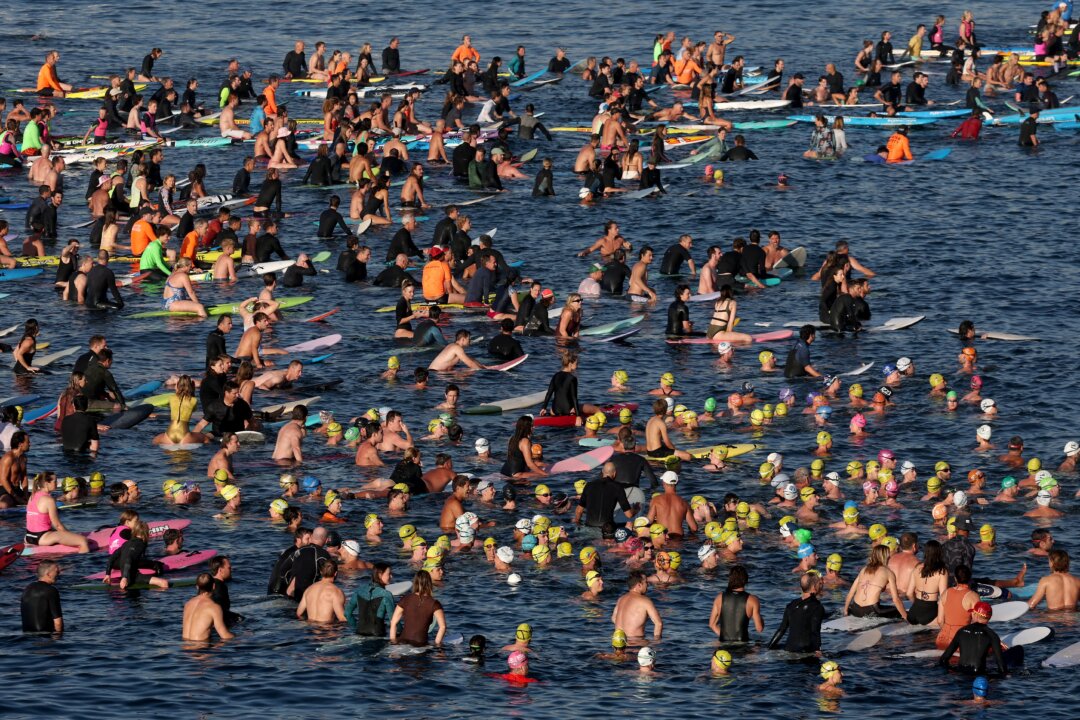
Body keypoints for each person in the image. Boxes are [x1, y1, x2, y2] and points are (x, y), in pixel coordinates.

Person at [938, 601, 1019, 674]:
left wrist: (950, 670)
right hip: (979, 675)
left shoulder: (961, 631)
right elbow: (1001, 665)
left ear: (974, 614)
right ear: (989, 617)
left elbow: (943, 659)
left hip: (960, 673)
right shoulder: (992, 635)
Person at [25, 472, 89, 553]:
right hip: (42, 538)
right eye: (55, 481)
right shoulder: (49, 500)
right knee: (83, 541)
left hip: (28, 537)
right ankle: (83, 560)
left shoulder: (32, 496)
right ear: (46, 483)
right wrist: (70, 535)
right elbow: (57, 525)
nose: (57, 483)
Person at [843, 545, 908, 620]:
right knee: (897, 611)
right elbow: (896, 599)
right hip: (871, 611)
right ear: (885, 557)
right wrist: (905, 616)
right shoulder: (888, 572)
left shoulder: (864, 569)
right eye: (888, 555)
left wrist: (845, 610)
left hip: (855, 609)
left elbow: (850, 593)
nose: (890, 557)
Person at [767, 572, 825, 652]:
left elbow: (781, 630)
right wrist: (817, 650)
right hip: (805, 652)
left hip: (789, 649)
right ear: (814, 587)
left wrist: (768, 648)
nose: (821, 586)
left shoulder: (791, 605)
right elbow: (815, 631)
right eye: (819, 583)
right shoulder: (817, 607)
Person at [708, 565, 765, 641]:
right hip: (743, 644)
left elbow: (712, 625)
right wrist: (761, 617)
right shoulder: (752, 600)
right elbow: (759, 629)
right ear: (746, 580)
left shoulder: (719, 598)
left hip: (724, 644)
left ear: (730, 579)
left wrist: (725, 637)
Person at [390, 570, 446, 646]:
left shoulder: (405, 599)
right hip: (420, 644)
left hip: (403, 641)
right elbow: (442, 627)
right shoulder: (434, 603)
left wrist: (393, 642)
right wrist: (437, 644)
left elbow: (393, 622)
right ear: (429, 583)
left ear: (415, 583)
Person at [576, 461, 633, 528]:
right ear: (614, 473)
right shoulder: (617, 487)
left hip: (588, 527)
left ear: (602, 471)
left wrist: (577, 523)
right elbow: (629, 515)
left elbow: (579, 510)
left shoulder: (589, 485)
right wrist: (636, 509)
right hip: (607, 529)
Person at [346, 562, 396, 635]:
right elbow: (394, 621)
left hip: (359, 633)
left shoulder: (359, 591)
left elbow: (347, 613)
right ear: (380, 575)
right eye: (389, 574)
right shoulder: (386, 594)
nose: (391, 576)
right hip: (378, 635)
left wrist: (354, 627)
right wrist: (400, 634)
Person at [182, 573, 235, 641]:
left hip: (185, 646)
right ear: (213, 586)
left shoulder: (187, 604)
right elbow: (225, 636)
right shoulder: (214, 607)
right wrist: (242, 638)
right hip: (201, 646)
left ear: (197, 587)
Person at [612, 571, 663, 640]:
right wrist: (657, 642)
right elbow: (658, 623)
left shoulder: (621, 599)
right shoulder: (645, 601)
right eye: (646, 582)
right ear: (639, 585)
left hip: (618, 641)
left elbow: (613, 618)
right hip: (636, 642)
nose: (648, 585)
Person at [21, 560, 63, 633]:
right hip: (45, 636)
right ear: (48, 574)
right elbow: (58, 623)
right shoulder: (51, 590)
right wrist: (60, 637)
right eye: (57, 571)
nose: (59, 573)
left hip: (27, 636)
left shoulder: (27, 589)